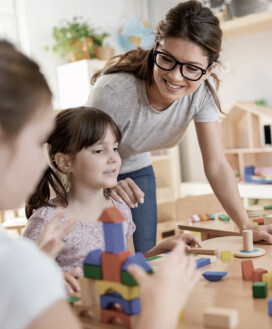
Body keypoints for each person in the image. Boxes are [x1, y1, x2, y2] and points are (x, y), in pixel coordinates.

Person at [0, 39, 199, 329]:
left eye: (115, 149)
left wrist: (159, 251)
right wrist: (162, 313)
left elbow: (124, 263)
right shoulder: (23, 256)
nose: (41, 160)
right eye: (37, 142)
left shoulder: (118, 210)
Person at [88, 0, 272, 254]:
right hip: (88, 170)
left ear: (208, 70)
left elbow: (217, 165)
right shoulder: (113, 92)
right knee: (98, 258)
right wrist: (107, 183)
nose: (175, 76)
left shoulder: (200, 96)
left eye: (191, 68)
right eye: (167, 59)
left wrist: (245, 224)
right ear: (155, 49)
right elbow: (80, 153)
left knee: (143, 260)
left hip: (135, 169)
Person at [23, 107, 202, 293]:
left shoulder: (120, 208)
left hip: (117, 309)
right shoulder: (47, 221)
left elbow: (128, 265)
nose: (114, 158)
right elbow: (21, 281)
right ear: (65, 163)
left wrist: (164, 247)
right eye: (99, 151)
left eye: (115, 148)